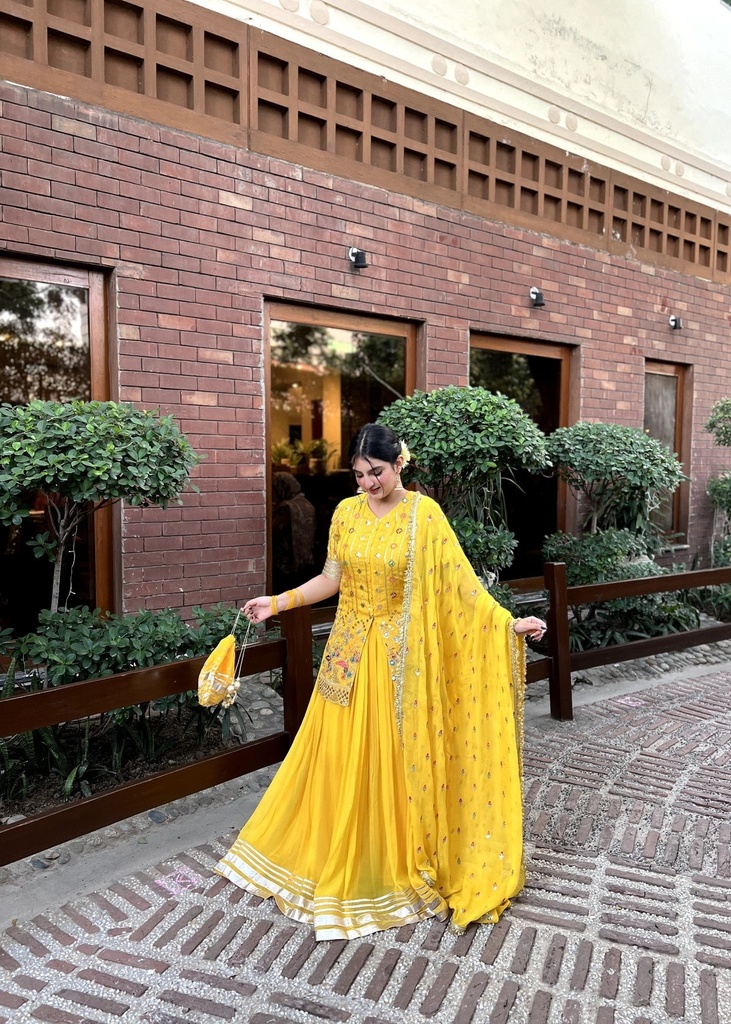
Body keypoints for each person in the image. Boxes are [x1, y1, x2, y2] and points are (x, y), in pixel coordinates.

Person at [215, 423, 546, 941]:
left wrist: (506, 623)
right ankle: (337, 845)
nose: (367, 483)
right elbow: (331, 579)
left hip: (402, 662)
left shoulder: (424, 516)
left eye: (377, 473)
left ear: (400, 465)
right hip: (348, 655)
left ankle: (390, 854)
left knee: (395, 757)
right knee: (339, 758)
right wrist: (276, 602)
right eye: (359, 473)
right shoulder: (346, 513)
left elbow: (460, 585)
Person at [271, 471, 316, 590]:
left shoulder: (286, 507)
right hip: (305, 562)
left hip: (285, 565)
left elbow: (272, 532)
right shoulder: (307, 504)